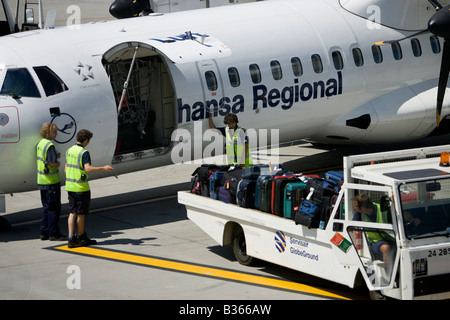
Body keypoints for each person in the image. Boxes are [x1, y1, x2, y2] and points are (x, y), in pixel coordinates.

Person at [65, 129, 114, 248]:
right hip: (81, 188)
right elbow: (87, 168)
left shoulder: (69, 150)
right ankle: (81, 237)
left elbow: (66, 168)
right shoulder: (84, 153)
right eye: (89, 140)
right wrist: (103, 168)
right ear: (86, 140)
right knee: (81, 214)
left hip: (70, 186)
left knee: (72, 213)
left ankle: (71, 237)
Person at [36, 122, 66, 241]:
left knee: (46, 208)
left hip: (42, 181)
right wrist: (58, 163)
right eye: (54, 131)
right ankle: (54, 233)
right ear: (48, 132)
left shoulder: (40, 143)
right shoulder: (49, 145)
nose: (57, 133)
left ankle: (44, 232)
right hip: (51, 182)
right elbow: (52, 163)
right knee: (54, 209)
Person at [352, 193, 394, 267]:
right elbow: (351, 226)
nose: (355, 208)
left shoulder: (383, 209)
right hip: (375, 242)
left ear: (362, 208)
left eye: (356, 207)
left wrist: (413, 219)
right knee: (386, 248)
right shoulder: (359, 214)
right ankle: (390, 274)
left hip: (390, 238)